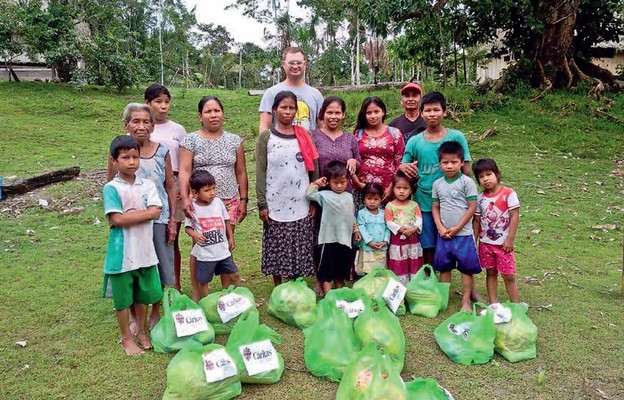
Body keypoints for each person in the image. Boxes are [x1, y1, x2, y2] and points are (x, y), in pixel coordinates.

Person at [107, 103, 176, 330]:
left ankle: (156, 312)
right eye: (136, 121)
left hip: (159, 218)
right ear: (126, 125)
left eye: (147, 122)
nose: (141, 126)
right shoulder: (118, 153)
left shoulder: (162, 151)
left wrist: (173, 219)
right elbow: (110, 184)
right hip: (129, 223)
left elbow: (169, 186)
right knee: (134, 266)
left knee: (160, 266)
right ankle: (136, 318)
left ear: (153, 126)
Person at [178, 96, 248, 301]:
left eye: (217, 110)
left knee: (224, 242)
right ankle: (198, 290)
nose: (213, 115)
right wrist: (186, 198)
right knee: (199, 246)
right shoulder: (190, 140)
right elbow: (184, 171)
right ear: (200, 116)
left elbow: (242, 172)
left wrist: (243, 199)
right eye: (208, 111)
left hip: (227, 200)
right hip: (198, 203)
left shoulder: (235, 140)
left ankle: (228, 292)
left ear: (223, 113)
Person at [103, 135, 163, 356]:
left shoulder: (147, 185)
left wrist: (130, 215)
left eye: (135, 157)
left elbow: (156, 212)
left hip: (145, 251)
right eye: (125, 157)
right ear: (114, 160)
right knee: (122, 298)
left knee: (144, 293)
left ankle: (142, 331)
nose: (131, 162)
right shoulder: (111, 188)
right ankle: (126, 337)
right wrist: (144, 214)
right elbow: (116, 220)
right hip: (122, 254)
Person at [399, 91, 473, 267]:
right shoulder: (415, 141)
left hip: (453, 201)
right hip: (424, 200)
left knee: (459, 241)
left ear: (444, 112)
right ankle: (431, 278)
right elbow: (403, 165)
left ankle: (468, 285)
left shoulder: (456, 137)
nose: (432, 114)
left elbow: (467, 170)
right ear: (422, 113)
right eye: (428, 110)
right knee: (428, 245)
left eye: (436, 110)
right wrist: (403, 167)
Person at [256, 90, 319, 286]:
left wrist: (314, 199)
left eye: (292, 108)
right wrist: (262, 203)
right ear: (274, 110)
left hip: (301, 200)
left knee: (298, 243)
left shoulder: (305, 136)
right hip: (275, 201)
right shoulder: (266, 137)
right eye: (283, 107)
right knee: (277, 244)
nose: (288, 111)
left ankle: (294, 282)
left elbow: (314, 169)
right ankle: (278, 285)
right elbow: (260, 171)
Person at [144, 83, 187, 291]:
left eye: (166, 102)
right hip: (148, 186)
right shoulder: (142, 127)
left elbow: (186, 161)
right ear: (147, 103)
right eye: (158, 102)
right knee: (148, 237)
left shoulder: (177, 130)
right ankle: (152, 284)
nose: (163, 107)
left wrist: (182, 189)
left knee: (172, 237)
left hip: (174, 186)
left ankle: (174, 283)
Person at [432, 141, 482, 312]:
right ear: (440, 164)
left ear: (462, 163)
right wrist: (440, 227)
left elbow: (472, 207)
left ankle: (466, 300)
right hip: (444, 233)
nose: (449, 166)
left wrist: (458, 228)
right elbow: (435, 207)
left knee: (466, 268)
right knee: (444, 267)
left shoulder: (467, 182)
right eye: (445, 162)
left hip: (463, 234)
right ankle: (443, 299)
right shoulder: (437, 184)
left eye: (454, 162)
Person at [472, 158, 520, 304]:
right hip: (485, 243)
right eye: (481, 177)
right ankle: (494, 304)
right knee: (490, 273)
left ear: (497, 174)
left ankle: (515, 304)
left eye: (488, 174)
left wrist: (510, 239)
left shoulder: (509, 194)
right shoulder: (479, 199)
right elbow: (477, 221)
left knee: (508, 275)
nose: (485, 179)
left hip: (504, 244)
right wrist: (474, 241)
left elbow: (514, 216)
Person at [184, 170, 238, 300]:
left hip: (223, 251)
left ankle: (236, 299)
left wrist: (230, 237)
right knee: (204, 281)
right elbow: (187, 228)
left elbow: (226, 220)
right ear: (195, 193)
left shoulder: (218, 202)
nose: (212, 193)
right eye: (207, 190)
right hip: (205, 254)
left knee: (235, 275)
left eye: (214, 188)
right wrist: (195, 235)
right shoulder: (193, 208)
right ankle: (206, 302)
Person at [306, 161, 357, 295]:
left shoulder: (349, 197)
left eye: (343, 182)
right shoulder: (324, 196)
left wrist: (356, 230)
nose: (340, 186)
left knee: (340, 271)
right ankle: (328, 297)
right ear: (328, 182)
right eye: (336, 183)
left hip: (345, 240)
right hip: (328, 239)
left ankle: (340, 295)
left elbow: (351, 216)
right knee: (326, 271)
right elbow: (309, 194)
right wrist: (317, 183)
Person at [352, 96, 405, 205]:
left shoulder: (394, 133)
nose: (373, 116)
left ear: (383, 112)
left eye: (376, 111)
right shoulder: (358, 134)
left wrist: (392, 187)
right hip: (364, 190)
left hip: (387, 190)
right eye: (369, 113)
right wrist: (357, 183)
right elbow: (353, 160)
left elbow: (399, 162)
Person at [258, 47, 324, 132]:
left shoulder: (316, 95)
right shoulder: (271, 93)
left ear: (305, 64)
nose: (295, 66)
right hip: (280, 144)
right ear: (283, 65)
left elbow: (323, 129)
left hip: (308, 144)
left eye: (299, 63)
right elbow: (264, 128)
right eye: (291, 63)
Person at [310, 96, 360, 190]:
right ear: (323, 113)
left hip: (343, 195)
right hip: (319, 194)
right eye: (329, 113)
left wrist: (354, 162)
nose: (333, 117)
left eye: (337, 113)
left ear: (343, 114)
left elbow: (359, 165)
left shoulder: (350, 138)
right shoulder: (313, 136)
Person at [385, 171, 424, 284]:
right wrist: (402, 230)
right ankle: (400, 289)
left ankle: (413, 288)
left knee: (413, 263)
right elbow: (389, 222)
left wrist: (413, 230)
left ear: (411, 190)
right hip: (398, 242)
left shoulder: (414, 205)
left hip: (413, 240)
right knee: (399, 264)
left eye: (405, 188)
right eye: (398, 188)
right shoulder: (390, 206)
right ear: (393, 189)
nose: (401, 191)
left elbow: (419, 219)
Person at [355, 182, 390, 275]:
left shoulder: (384, 213)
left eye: (376, 199)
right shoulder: (362, 213)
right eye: (369, 198)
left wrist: (385, 241)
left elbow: (387, 227)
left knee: (380, 270)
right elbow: (361, 227)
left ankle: (379, 287)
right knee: (368, 269)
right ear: (363, 199)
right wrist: (369, 242)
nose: (372, 202)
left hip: (381, 246)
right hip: (368, 247)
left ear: (381, 199)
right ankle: (368, 287)